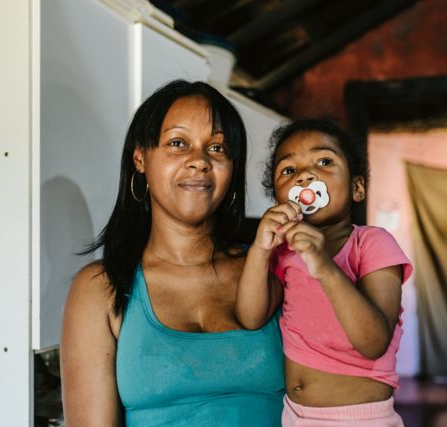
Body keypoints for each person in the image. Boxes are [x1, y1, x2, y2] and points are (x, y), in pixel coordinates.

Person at [60, 80, 284, 426]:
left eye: (217, 148)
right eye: (178, 144)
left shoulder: (273, 268)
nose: (199, 161)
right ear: (140, 158)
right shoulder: (99, 289)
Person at [235, 119, 412, 426]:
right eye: (288, 170)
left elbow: (373, 343)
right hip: (294, 415)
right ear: (278, 198)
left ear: (357, 188)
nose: (304, 176)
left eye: (324, 161)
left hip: (360, 419)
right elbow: (251, 317)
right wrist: (261, 249)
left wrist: (325, 268)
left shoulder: (372, 243)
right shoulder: (284, 252)